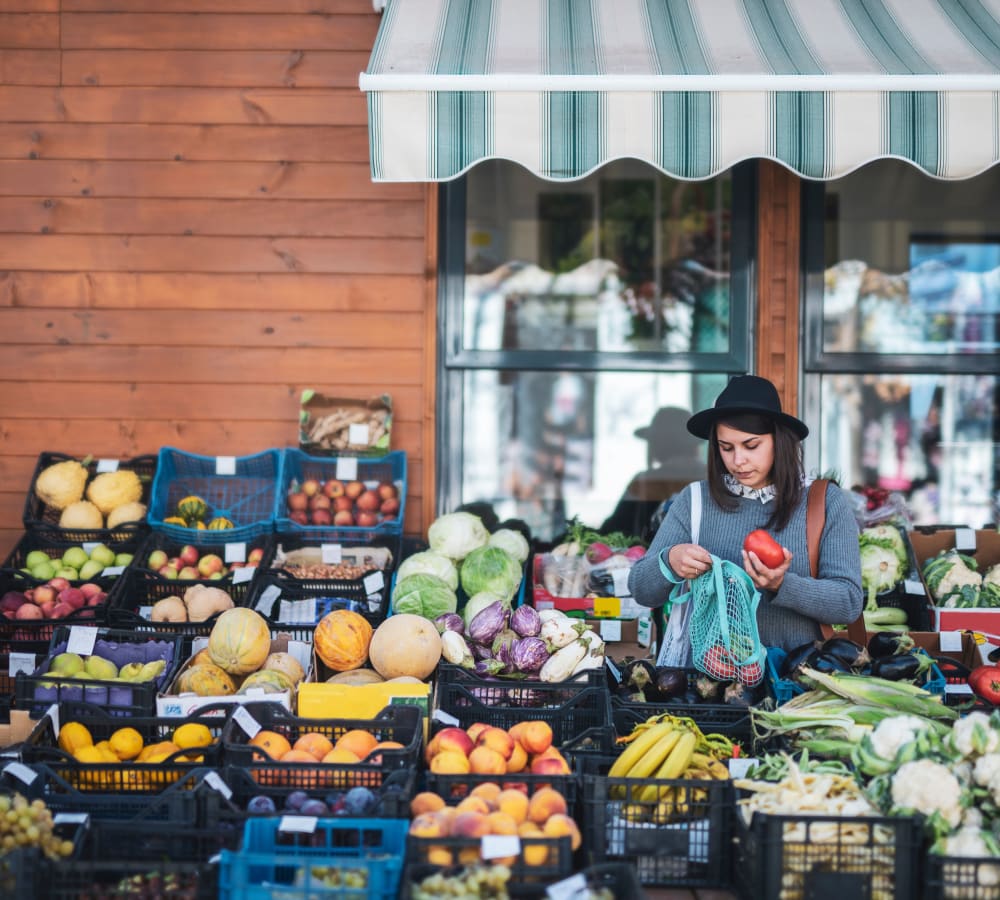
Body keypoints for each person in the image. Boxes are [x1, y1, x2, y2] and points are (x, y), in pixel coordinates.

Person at [628, 375, 862, 651]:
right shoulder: (693, 501)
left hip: (796, 680)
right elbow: (640, 589)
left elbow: (848, 603)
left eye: (751, 446)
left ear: (779, 440)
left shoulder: (824, 502)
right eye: (726, 448)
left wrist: (781, 584)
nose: (738, 461)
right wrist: (669, 561)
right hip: (709, 683)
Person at [601, 407, 704, 542]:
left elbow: (614, 528)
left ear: (656, 446)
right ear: (692, 445)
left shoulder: (645, 480)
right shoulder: (713, 478)